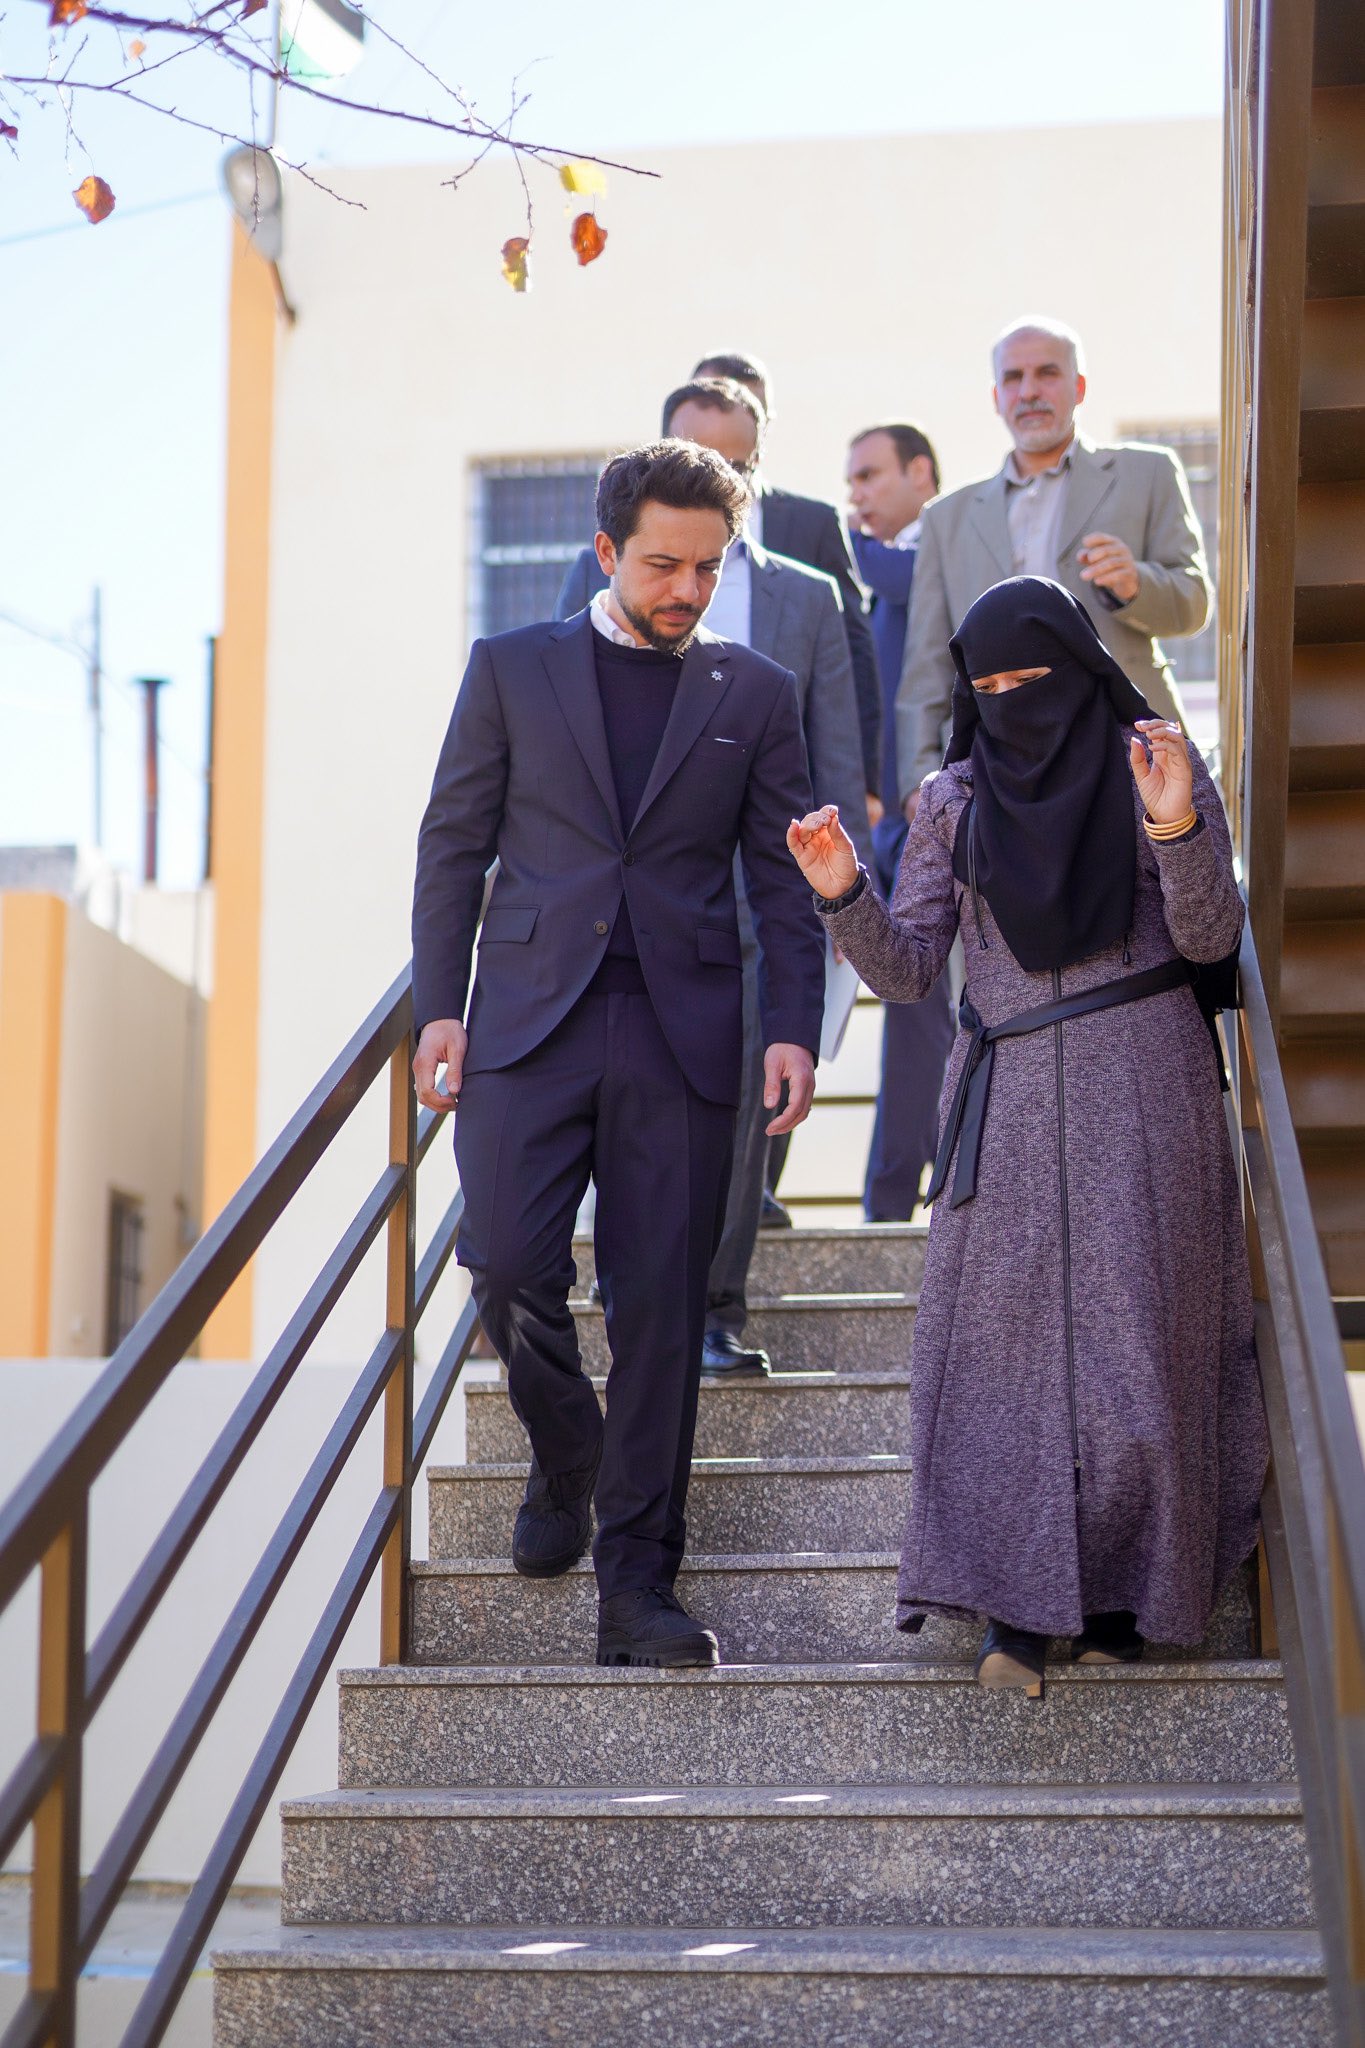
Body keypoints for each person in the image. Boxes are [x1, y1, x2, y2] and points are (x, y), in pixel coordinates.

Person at [788, 575, 1266, 1695]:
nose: (1013, 702)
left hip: (1145, 1081)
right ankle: (1010, 1615)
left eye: (1031, 678)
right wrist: (843, 893)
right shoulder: (950, 800)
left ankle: (1126, 1600)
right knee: (1001, 1357)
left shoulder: (1155, 760)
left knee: (1140, 1346)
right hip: (1003, 1097)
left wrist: (1173, 821)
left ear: (1080, 666)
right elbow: (911, 968)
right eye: (990, 685)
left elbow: (1210, 936)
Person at [413, 440, 824, 1668]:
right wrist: (440, 1005)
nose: (687, 588)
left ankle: (638, 1586)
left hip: (684, 1032)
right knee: (504, 1261)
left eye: (707, 567)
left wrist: (792, 1024)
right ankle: (566, 1447)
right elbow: (453, 844)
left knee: (659, 1308)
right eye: (662, 565)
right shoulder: (510, 667)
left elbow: (783, 879)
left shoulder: (754, 693)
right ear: (605, 551)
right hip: (525, 1020)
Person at [558, 379, 872, 1378]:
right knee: (623, 1088)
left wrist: (835, 901)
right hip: (633, 889)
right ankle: (629, 1283)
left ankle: (712, 1309)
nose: (710, 470)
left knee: (740, 1109)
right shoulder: (600, 571)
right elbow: (563, 718)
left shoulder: (806, 595)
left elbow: (835, 750)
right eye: (694, 451)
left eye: (732, 459)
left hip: (761, 886)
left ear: (755, 466)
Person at [896, 315, 1214, 813]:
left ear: (1079, 387)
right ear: (996, 397)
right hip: (998, 768)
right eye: (1013, 378)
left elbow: (1194, 604)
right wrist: (919, 782)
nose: (1029, 391)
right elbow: (926, 666)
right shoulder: (945, 518)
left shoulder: (1147, 473)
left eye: (1046, 373)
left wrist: (1137, 583)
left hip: (1130, 752)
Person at [692, 349, 881, 811]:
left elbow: (852, 656)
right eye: (715, 400)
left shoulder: (813, 523)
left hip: (783, 788)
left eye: (747, 407)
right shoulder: (626, 547)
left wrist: (867, 784)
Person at [846, 421, 954, 1220]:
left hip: (942, 819)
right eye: (851, 481)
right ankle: (895, 1194)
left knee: (928, 1018)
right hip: (889, 827)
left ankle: (907, 1194)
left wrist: (841, 541)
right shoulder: (878, 572)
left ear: (921, 474)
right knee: (912, 1018)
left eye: (868, 476)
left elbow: (895, 575)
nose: (856, 495)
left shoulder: (936, 549)